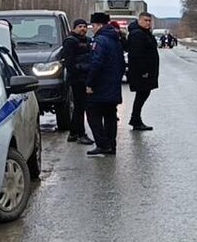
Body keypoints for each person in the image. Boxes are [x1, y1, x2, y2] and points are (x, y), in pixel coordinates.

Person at [85, 12, 126, 156]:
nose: (92, 28)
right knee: (110, 115)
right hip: (113, 85)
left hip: (100, 86)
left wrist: (90, 83)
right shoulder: (116, 39)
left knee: (92, 114)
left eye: (93, 25)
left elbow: (96, 63)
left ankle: (103, 144)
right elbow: (122, 64)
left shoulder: (100, 41)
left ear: (99, 25)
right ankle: (111, 145)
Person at [60, 19, 95, 145]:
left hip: (84, 78)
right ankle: (81, 134)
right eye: (80, 26)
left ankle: (73, 133)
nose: (83, 29)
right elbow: (69, 63)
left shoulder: (87, 41)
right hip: (77, 79)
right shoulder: (70, 41)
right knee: (81, 107)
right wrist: (79, 71)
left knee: (79, 107)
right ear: (74, 28)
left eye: (85, 27)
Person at [127, 12, 160, 131]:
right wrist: (143, 71)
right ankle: (135, 119)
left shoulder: (144, 33)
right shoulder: (137, 34)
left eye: (149, 21)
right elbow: (137, 55)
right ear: (139, 20)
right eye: (145, 20)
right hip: (141, 72)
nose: (148, 23)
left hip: (145, 71)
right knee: (142, 94)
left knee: (143, 94)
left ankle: (136, 119)